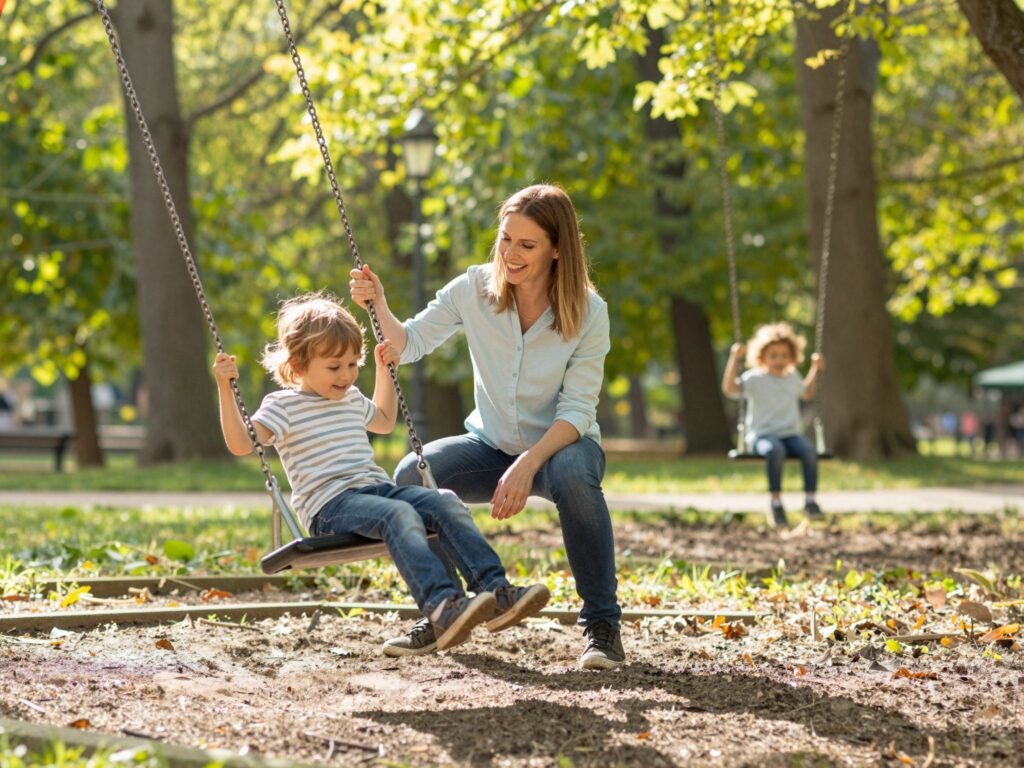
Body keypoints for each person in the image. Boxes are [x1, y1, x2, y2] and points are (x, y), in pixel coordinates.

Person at [349, 184, 624, 670]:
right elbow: (407, 343)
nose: (510, 254)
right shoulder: (474, 289)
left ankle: (601, 625)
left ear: (557, 249)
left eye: (527, 244)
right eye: (505, 239)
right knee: (414, 475)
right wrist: (380, 303)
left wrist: (529, 463)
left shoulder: (588, 312)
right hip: (488, 446)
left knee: (575, 480)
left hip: (562, 449)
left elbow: (578, 411)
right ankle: (444, 610)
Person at [212, 292, 550, 653]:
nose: (346, 375)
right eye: (334, 367)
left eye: (352, 364)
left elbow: (386, 421)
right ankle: (441, 606)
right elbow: (240, 443)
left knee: (445, 502)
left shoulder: (351, 397)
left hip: (376, 491)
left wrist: (386, 371)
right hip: (330, 507)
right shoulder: (282, 406)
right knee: (400, 514)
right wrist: (225, 388)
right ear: (298, 365)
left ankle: (496, 591)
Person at [722, 322, 825, 528]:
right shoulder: (755, 379)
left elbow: (806, 392)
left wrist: (815, 368)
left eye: (784, 355)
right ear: (762, 357)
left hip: (790, 434)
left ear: (792, 357)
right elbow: (730, 388)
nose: (779, 360)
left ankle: (811, 501)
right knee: (774, 450)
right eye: (774, 355)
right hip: (763, 435)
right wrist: (734, 358)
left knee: (808, 450)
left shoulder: (792, 377)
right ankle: (776, 503)